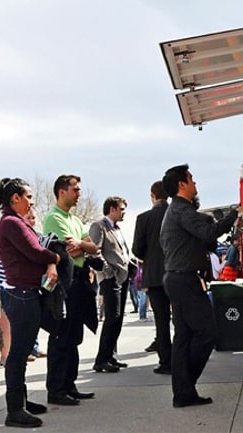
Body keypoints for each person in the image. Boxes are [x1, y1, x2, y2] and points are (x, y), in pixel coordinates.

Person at [160, 165, 238, 408]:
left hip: (178, 278)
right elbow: (208, 232)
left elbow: (200, 240)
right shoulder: (182, 210)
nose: (195, 183)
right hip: (184, 280)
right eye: (191, 179)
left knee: (183, 336)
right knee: (207, 333)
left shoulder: (177, 211)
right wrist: (234, 214)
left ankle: (183, 392)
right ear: (182, 185)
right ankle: (184, 386)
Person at [0, 178, 58, 428]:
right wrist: (54, 257)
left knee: (21, 352)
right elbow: (35, 251)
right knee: (19, 353)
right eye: (28, 196)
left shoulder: (15, 222)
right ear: (15, 198)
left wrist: (50, 258)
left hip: (24, 291)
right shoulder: (11, 223)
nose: (32, 201)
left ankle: (21, 400)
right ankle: (15, 409)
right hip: (21, 293)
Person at [41, 174, 98, 406]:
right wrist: (83, 248)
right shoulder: (53, 218)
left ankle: (70, 384)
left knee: (74, 335)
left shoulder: (75, 219)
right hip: (67, 281)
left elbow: (90, 247)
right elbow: (67, 250)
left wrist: (83, 245)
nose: (79, 193)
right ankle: (56, 388)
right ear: (62, 191)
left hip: (81, 279)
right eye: (75, 189)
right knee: (61, 335)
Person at [89, 196, 134, 373]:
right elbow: (94, 251)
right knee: (112, 318)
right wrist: (108, 272)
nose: (124, 212)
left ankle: (110, 356)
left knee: (118, 318)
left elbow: (121, 251)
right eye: (122, 209)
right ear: (112, 209)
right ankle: (102, 359)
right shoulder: (99, 226)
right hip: (110, 278)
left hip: (122, 277)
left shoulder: (118, 229)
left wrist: (129, 265)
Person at [133, 180, 171, 374]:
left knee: (161, 321)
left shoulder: (143, 218)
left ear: (152, 195)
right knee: (181, 319)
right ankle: (184, 358)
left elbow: (137, 249)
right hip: (177, 274)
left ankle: (166, 362)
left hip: (155, 276)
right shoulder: (176, 214)